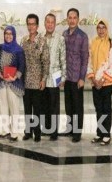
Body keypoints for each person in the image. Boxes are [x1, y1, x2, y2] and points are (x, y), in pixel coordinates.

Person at [87, 20, 112, 146]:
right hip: (95, 83)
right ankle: (99, 133)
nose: (101, 30)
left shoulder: (111, 43)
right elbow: (90, 62)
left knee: (106, 109)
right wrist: (93, 79)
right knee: (98, 109)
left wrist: (102, 80)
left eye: (103, 27)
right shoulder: (93, 42)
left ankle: (106, 134)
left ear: (107, 29)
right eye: (99, 28)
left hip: (106, 83)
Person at [21, 14, 50, 142]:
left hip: (38, 82)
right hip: (25, 81)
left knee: (37, 110)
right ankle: (28, 131)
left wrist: (43, 79)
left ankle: (37, 132)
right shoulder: (23, 40)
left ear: (37, 26)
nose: (31, 26)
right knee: (27, 109)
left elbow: (46, 62)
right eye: (29, 24)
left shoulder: (43, 41)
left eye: (33, 24)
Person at [62, 8, 89, 143]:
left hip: (77, 78)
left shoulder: (83, 36)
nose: (72, 20)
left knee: (78, 106)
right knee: (69, 105)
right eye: (70, 17)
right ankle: (70, 129)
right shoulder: (64, 34)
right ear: (67, 19)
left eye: (74, 18)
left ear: (78, 19)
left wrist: (82, 78)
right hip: (67, 77)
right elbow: (61, 57)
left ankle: (77, 133)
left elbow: (85, 58)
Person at [0, 25, 25, 143]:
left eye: (10, 34)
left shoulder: (18, 50)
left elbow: (22, 66)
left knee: (14, 108)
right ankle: (5, 131)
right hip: (2, 82)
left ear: (14, 35)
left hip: (14, 83)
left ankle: (14, 132)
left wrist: (14, 77)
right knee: (3, 107)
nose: (8, 36)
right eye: (6, 34)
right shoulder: (0, 48)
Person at [42, 13, 66, 141]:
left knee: (54, 106)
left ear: (55, 24)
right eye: (48, 22)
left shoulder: (60, 39)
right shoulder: (40, 38)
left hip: (55, 76)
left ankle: (54, 132)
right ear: (44, 23)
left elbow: (63, 59)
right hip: (43, 78)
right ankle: (46, 129)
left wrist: (63, 78)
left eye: (52, 22)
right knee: (44, 105)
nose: (50, 24)